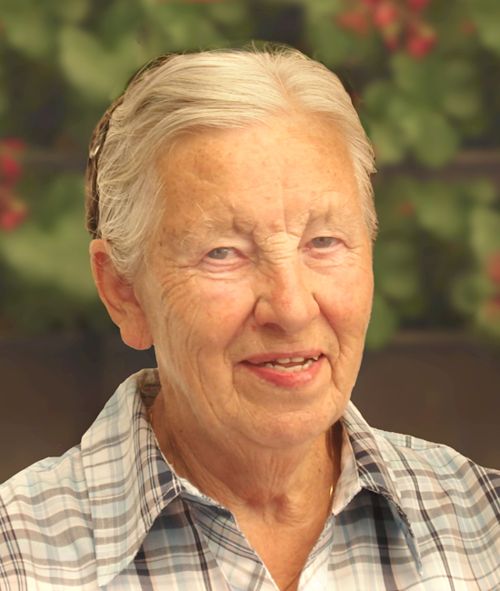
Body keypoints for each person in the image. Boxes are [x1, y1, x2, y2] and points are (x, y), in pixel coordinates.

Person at [0, 46, 498, 591]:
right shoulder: (18, 557)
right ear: (125, 293)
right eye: (223, 253)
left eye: (324, 242)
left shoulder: (484, 523)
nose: (292, 308)